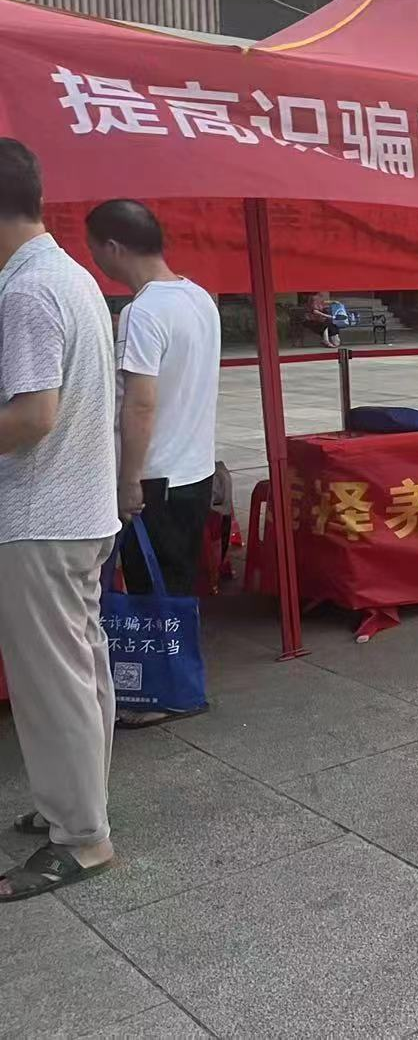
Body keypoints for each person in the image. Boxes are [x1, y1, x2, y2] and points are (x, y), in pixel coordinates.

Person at [0, 139, 120, 902]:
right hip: (81, 509)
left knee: (52, 684)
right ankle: (76, 804)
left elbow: (32, 415)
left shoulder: (24, 292)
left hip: (39, 515)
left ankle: (81, 837)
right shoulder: (71, 275)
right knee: (82, 670)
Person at [85, 200, 220, 727]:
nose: (97, 262)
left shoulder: (142, 314)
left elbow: (139, 404)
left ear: (113, 247)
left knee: (151, 592)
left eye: (95, 251)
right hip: (193, 469)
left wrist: (128, 481)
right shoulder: (199, 298)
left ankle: (166, 693)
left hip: (156, 477)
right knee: (176, 586)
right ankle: (178, 681)